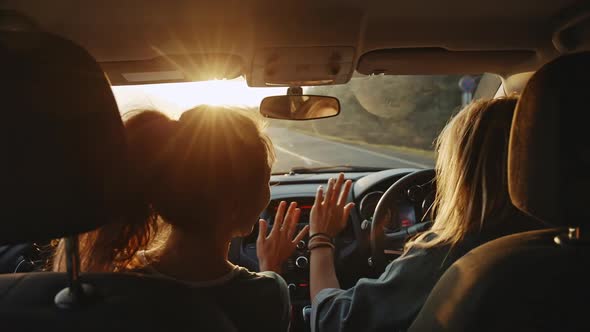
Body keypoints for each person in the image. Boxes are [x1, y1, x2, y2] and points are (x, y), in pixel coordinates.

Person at [53, 105, 308, 332]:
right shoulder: (268, 294)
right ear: (236, 204)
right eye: (265, 180)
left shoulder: (107, 285)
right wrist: (270, 269)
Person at [304, 96, 544, 331]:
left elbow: (332, 320)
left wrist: (321, 240)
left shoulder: (444, 257)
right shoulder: (569, 245)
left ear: (462, 173)